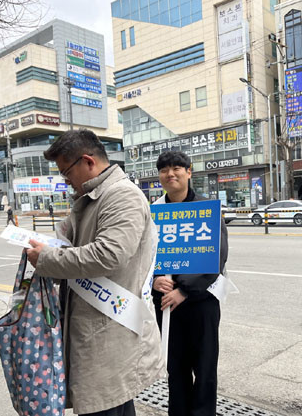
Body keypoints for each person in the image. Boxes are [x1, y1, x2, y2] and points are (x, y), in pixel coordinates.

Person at [26, 129, 164, 416]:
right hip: (96, 325)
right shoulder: (92, 197)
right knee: (112, 403)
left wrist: (48, 258)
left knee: (105, 403)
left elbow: (108, 255)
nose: (66, 180)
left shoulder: (121, 195)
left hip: (109, 328)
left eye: (66, 172)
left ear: (88, 161)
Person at [152, 151, 228, 416]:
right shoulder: (153, 212)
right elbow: (141, 254)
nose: (170, 174)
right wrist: (153, 279)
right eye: (164, 169)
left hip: (201, 302)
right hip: (166, 304)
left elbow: (217, 257)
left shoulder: (207, 210)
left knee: (205, 369)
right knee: (175, 369)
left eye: (176, 168)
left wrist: (184, 290)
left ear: (188, 172)